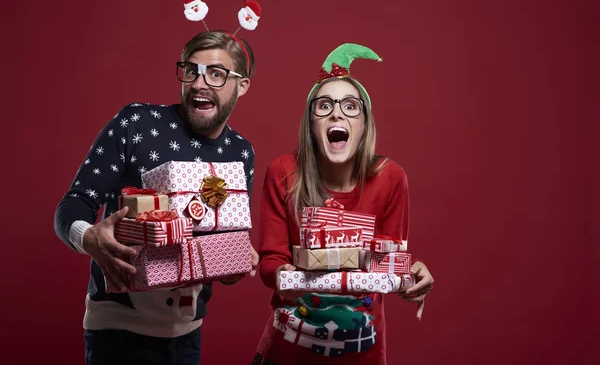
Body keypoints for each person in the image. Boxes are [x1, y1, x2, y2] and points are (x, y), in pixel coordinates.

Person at [54, 30, 259, 364]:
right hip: (118, 333)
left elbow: (222, 246)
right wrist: (87, 236)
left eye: (216, 73)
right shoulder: (136, 123)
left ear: (242, 85)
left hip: (187, 335)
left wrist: (235, 260)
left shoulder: (241, 153)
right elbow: (73, 204)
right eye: (191, 70)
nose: (198, 83)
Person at [253, 43, 434, 365]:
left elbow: (389, 257)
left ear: (365, 125)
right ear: (311, 123)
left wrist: (410, 273)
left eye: (351, 106)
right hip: (288, 351)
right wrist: (288, 276)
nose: (337, 113)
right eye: (324, 106)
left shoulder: (391, 177)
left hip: (362, 351)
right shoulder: (282, 172)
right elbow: (271, 260)